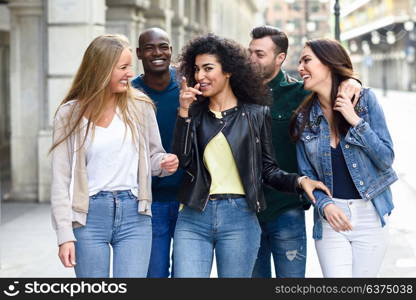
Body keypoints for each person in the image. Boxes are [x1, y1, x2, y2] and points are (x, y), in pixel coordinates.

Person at [171, 34, 330, 278]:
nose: (200, 76)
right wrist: (184, 113)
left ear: (228, 71)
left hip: (240, 217)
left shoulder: (256, 114)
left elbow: (267, 170)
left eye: (208, 68)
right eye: (196, 69)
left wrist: (299, 181)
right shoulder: (193, 113)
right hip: (194, 215)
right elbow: (182, 160)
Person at [50, 34, 179, 278]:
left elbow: (153, 157)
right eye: (123, 67)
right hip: (89, 217)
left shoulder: (141, 106)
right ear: (101, 69)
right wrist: (64, 235)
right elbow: (60, 180)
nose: (130, 73)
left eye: (130, 66)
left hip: (135, 214)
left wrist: (163, 163)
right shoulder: (70, 114)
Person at [248, 26, 361, 278]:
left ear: (279, 58)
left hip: (287, 207)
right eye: (250, 52)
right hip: (247, 211)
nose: (251, 59)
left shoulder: (301, 93)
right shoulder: (238, 93)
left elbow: (333, 83)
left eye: (259, 53)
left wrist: (353, 81)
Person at [290, 38, 397, 277]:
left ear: (329, 63)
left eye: (307, 60)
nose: (300, 68)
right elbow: (306, 174)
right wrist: (325, 205)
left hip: (371, 213)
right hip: (331, 218)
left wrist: (354, 120)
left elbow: (386, 158)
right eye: (299, 62)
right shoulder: (303, 118)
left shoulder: (365, 102)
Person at [132, 27, 183, 278]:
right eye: (150, 48)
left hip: (188, 200)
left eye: (163, 46)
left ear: (171, 51)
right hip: (150, 202)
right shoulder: (129, 94)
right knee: (155, 274)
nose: (157, 52)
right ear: (139, 53)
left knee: (187, 274)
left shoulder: (188, 88)